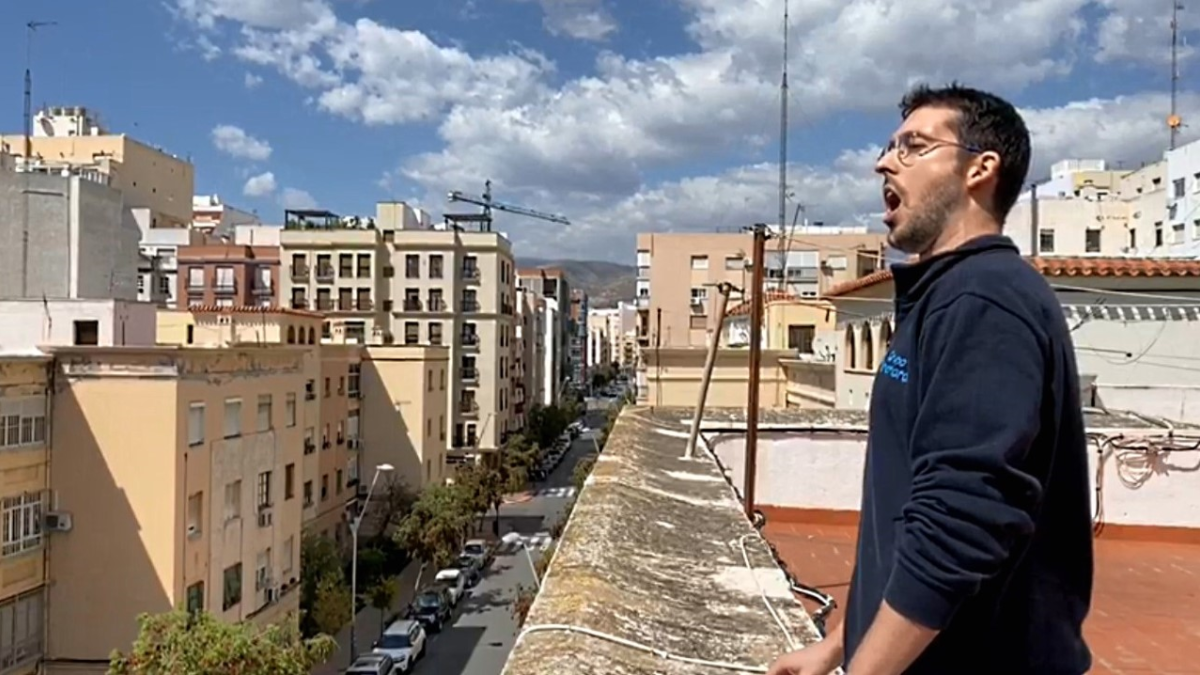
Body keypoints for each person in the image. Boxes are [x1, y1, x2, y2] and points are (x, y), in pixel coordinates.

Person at [767, 83, 1093, 674]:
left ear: (980, 169)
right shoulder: (946, 297)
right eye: (890, 146)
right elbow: (906, 517)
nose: (883, 162)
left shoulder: (987, 300)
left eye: (913, 146)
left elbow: (959, 517)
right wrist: (837, 643)